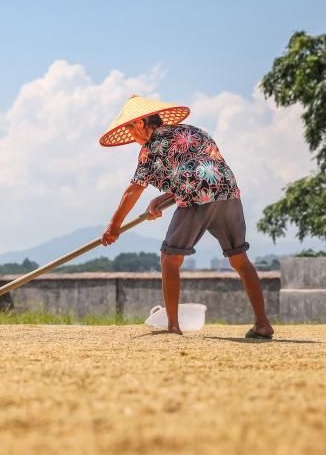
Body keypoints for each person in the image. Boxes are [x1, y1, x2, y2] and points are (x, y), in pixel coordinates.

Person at [99, 95, 274, 339]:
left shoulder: (151, 148)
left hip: (197, 199)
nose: (132, 137)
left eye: (130, 129)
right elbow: (198, 170)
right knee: (239, 258)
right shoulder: (194, 131)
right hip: (228, 193)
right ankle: (263, 324)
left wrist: (113, 226)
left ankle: (173, 326)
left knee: (170, 258)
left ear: (140, 123)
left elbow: (134, 189)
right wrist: (163, 199)